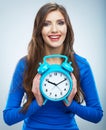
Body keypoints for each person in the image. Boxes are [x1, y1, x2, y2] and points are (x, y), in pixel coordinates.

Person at [3, 2, 103, 130]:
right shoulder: (25, 64)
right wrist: (37, 103)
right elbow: (8, 118)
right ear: (39, 29)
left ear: (67, 27)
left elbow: (97, 115)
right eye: (46, 24)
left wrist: (70, 103)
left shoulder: (81, 65)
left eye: (60, 23)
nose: (54, 29)